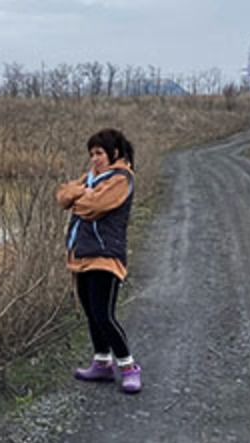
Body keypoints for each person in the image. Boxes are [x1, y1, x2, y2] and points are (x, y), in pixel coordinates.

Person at [56, 128, 141, 394]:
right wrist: (81, 194)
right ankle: (102, 363)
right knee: (91, 313)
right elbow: (62, 196)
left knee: (104, 315)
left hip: (105, 256)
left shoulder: (121, 178)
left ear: (114, 153)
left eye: (99, 153)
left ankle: (129, 367)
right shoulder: (92, 178)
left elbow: (93, 206)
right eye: (91, 154)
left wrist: (78, 196)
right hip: (82, 254)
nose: (94, 159)